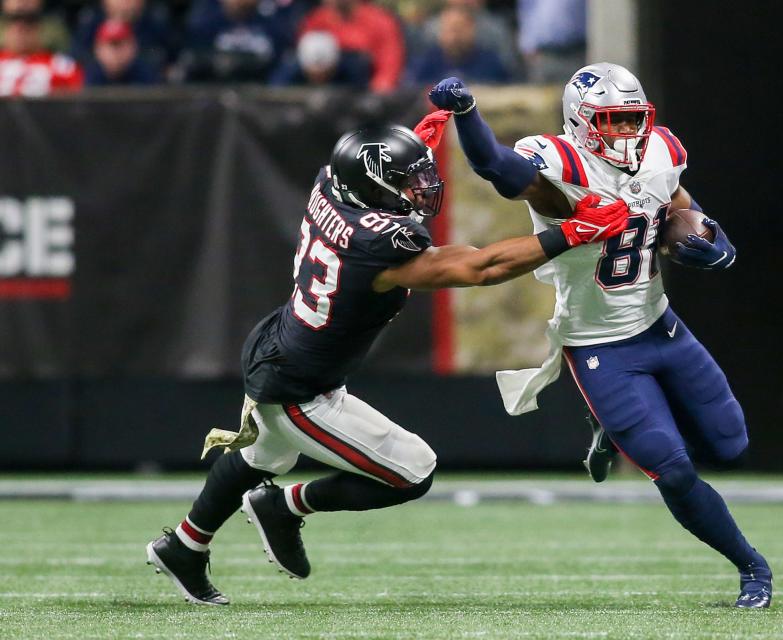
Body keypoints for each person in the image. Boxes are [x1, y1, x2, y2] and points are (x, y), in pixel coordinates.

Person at [145, 121, 629, 605]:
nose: (419, 190)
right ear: (375, 185)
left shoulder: (331, 185)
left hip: (282, 345)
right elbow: (480, 267)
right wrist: (574, 231)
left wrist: (418, 139)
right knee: (413, 470)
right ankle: (285, 505)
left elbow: (366, 170)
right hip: (299, 390)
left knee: (263, 457)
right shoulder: (378, 243)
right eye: (406, 181)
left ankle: (185, 546)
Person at [428, 65, 774, 608]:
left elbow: (679, 203)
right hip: (598, 346)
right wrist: (467, 115)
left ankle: (610, 427)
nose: (625, 132)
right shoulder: (560, 165)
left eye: (633, 120)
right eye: (611, 121)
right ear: (581, 122)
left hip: (662, 326)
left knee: (732, 443)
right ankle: (752, 566)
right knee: (674, 471)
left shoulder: (660, 149)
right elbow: (494, 166)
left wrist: (712, 236)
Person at [298, 0, 404, 94]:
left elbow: (389, 65)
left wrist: (377, 92)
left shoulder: (380, 21)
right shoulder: (316, 20)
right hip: (321, 88)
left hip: (361, 90)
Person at [407, 5, 510, 85]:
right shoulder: (428, 62)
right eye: (449, 30)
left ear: (472, 29)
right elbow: (416, 94)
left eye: (459, 29)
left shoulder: (490, 62)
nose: (454, 37)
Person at [0, 8, 82, 96]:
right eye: (15, 28)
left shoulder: (60, 65)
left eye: (27, 29)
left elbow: (77, 99)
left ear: (38, 32)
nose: (21, 34)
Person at [84, 18, 161, 85]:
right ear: (97, 48)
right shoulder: (87, 77)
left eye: (121, 45)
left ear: (133, 46)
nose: (115, 53)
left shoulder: (147, 76)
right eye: (110, 45)